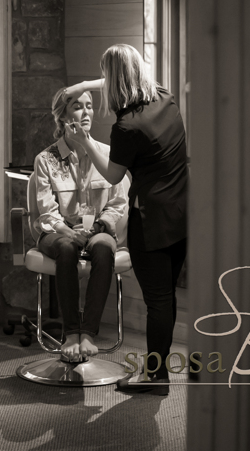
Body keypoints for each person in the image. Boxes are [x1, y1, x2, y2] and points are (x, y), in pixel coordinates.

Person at [64, 44, 188, 395]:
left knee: (157, 301)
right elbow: (123, 75)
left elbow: (114, 175)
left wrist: (86, 141)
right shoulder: (165, 98)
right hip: (182, 216)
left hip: (151, 223)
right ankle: (158, 372)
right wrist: (85, 85)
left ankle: (155, 377)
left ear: (114, 80)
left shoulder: (126, 127)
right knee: (167, 298)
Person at [33, 89, 129, 363]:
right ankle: (70, 332)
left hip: (97, 231)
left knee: (103, 248)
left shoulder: (108, 154)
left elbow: (118, 202)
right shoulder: (46, 160)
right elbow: (47, 212)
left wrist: (101, 225)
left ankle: (87, 333)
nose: (86, 112)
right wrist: (67, 230)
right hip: (58, 233)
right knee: (65, 246)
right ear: (63, 116)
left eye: (89, 106)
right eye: (77, 107)